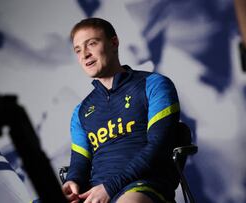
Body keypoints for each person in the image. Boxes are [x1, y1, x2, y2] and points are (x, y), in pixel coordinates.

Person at [62, 17, 181, 203]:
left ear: (114, 42)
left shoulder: (154, 85)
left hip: (143, 185)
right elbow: (79, 163)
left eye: (91, 44)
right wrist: (72, 181)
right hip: (96, 191)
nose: (84, 54)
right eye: (78, 50)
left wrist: (110, 187)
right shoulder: (81, 111)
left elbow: (159, 147)